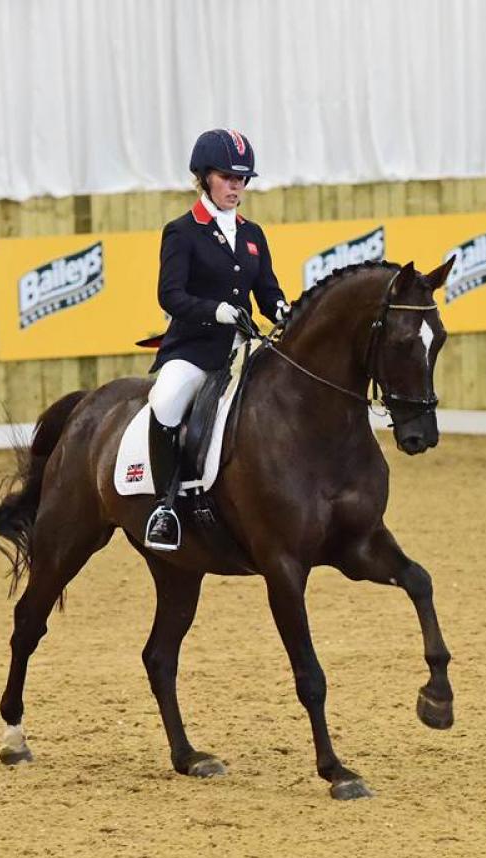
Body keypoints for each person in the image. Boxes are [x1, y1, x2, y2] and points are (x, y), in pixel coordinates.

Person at [144, 128, 288, 551]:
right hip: (192, 351)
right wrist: (214, 310)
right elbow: (169, 295)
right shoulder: (182, 232)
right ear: (205, 177)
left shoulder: (253, 234)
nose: (236, 186)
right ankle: (164, 507)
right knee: (166, 401)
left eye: (242, 179)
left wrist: (280, 308)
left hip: (239, 353)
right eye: (228, 177)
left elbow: (268, 291)